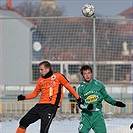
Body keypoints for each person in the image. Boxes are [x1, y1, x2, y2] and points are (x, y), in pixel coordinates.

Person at [16, 61, 83, 133]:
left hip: (50, 106)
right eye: (39, 69)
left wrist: (78, 98)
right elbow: (35, 93)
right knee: (23, 122)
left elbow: (69, 88)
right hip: (39, 105)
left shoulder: (58, 76)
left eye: (41, 69)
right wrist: (24, 97)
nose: (40, 71)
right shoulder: (40, 80)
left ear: (47, 69)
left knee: (43, 130)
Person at [77, 65, 126, 133]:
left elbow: (106, 97)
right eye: (85, 73)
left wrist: (115, 102)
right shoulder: (80, 88)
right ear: (82, 75)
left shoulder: (99, 84)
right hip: (87, 116)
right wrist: (87, 107)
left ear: (91, 73)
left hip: (97, 116)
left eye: (88, 73)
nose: (87, 75)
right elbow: (80, 104)